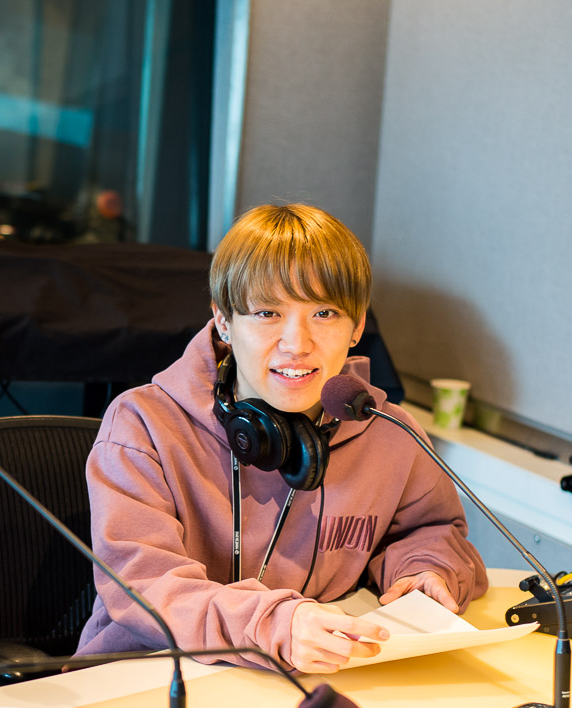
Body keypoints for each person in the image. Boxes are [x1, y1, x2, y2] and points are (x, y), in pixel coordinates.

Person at [75, 203, 487, 674]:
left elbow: (431, 532)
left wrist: (427, 571)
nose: (297, 343)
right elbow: (144, 584)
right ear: (224, 322)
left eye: (325, 313)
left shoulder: (390, 433)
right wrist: (273, 624)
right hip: (147, 678)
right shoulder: (144, 424)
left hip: (303, 683)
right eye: (267, 313)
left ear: (356, 326)